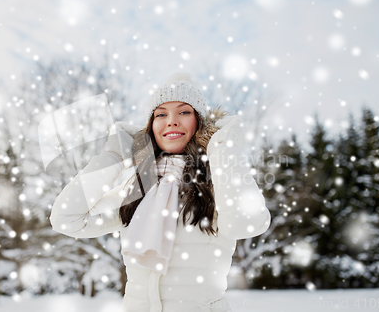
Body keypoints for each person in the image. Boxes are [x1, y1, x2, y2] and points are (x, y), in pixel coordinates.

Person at [50, 72, 271, 312]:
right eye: (161, 114)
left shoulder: (216, 182)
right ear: (151, 127)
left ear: (200, 123)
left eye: (184, 112)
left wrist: (223, 146)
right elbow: (66, 218)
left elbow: (248, 224)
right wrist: (113, 155)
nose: (172, 121)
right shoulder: (137, 189)